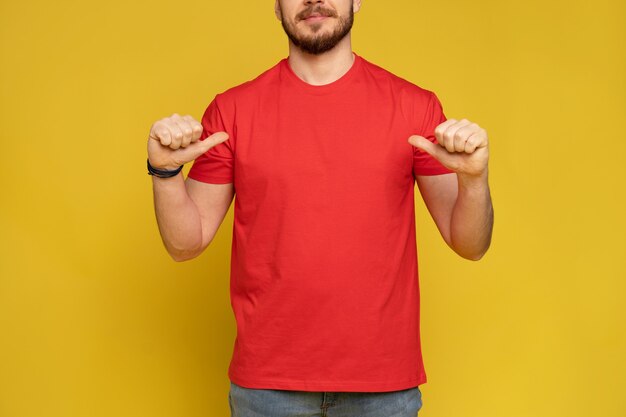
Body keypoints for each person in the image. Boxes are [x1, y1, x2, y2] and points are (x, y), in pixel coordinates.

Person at [146, 1, 494, 415]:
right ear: (276, 7)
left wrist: (474, 180)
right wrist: (164, 173)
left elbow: (470, 244)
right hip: (267, 387)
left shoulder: (415, 107)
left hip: (383, 387)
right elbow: (186, 243)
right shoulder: (233, 110)